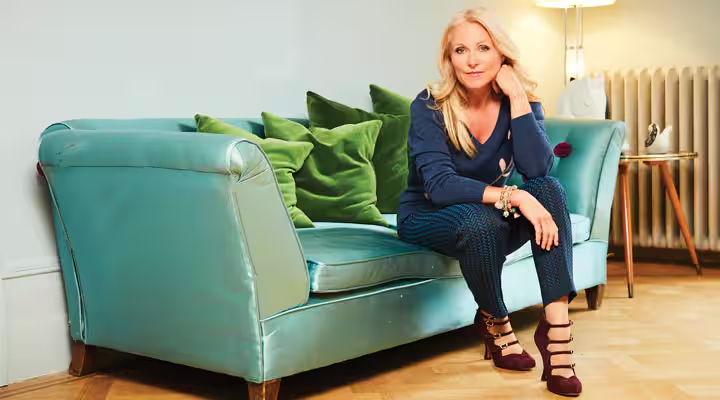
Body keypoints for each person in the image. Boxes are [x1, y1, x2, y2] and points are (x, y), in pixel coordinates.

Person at [396, 7, 581, 397]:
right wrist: (515, 195)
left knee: (549, 191)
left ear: (502, 54)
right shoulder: (429, 105)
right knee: (481, 221)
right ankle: (496, 322)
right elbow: (440, 186)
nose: (472, 60)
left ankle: (556, 331)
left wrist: (518, 97)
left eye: (483, 48)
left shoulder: (519, 102)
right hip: (429, 216)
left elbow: (537, 169)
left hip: (489, 214)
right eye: (460, 50)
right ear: (449, 59)